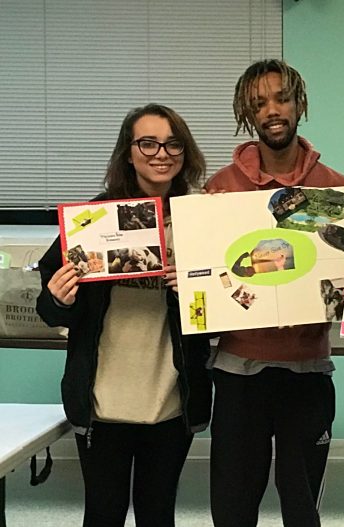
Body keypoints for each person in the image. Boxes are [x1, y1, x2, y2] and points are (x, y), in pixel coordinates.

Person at [36, 104, 211, 527]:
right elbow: (50, 307)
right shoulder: (93, 221)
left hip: (171, 403)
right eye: (147, 143)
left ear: (185, 152)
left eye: (172, 144)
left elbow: (227, 308)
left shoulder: (200, 220)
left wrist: (199, 290)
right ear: (128, 153)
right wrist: (60, 300)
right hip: (103, 404)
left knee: (158, 515)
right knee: (103, 515)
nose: (161, 154)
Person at [204, 59, 344, 527]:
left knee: (302, 508)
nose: (272, 110)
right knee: (233, 506)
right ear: (247, 113)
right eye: (259, 103)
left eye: (282, 98)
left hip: (307, 368)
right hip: (238, 370)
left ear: (299, 104)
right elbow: (209, 278)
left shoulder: (335, 190)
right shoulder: (220, 190)